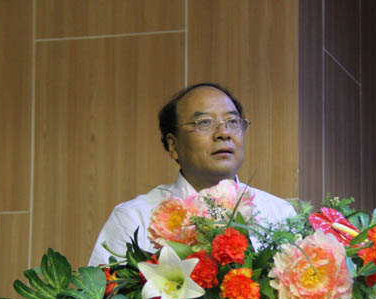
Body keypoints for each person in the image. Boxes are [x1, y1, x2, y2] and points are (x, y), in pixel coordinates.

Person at [88, 82, 295, 266]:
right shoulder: (134, 218)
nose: (224, 133)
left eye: (232, 121)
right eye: (204, 122)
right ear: (173, 145)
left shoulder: (279, 214)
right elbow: (104, 293)